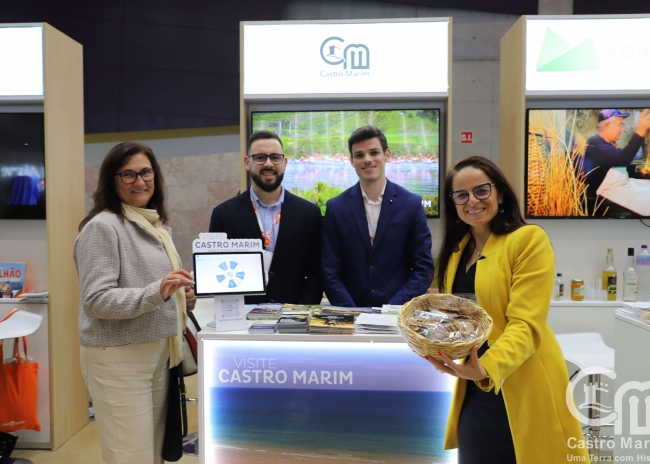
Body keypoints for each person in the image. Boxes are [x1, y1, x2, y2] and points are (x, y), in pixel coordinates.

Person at [426, 156, 589, 463]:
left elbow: (526, 324)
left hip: (524, 379)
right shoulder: (457, 251)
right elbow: (461, 319)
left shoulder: (528, 240)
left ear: (500, 194)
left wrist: (487, 367)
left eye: (481, 190)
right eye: (461, 195)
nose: (472, 201)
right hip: (476, 387)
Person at [74, 142, 196, 464]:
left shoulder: (154, 225)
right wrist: (158, 292)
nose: (139, 181)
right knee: (130, 456)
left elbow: (160, 291)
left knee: (152, 456)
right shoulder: (103, 227)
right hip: (118, 360)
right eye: (128, 174)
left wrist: (181, 297)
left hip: (157, 356)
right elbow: (96, 301)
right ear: (111, 180)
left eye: (145, 172)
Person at [321, 125, 433, 307]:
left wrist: (391, 310)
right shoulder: (336, 208)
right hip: (351, 313)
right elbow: (329, 271)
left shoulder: (411, 204)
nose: (367, 160)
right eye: (359, 155)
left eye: (374, 152)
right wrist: (351, 313)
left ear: (387, 154)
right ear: (351, 160)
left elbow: (423, 269)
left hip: (397, 313)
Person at [209, 130, 322, 304]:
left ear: (284, 163)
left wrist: (299, 312)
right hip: (243, 316)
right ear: (247, 163)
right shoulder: (223, 214)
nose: (268, 164)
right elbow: (218, 271)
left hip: (294, 315)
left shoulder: (309, 214)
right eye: (260, 157)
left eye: (275, 157)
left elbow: (317, 273)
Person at [583, 108, 650, 214]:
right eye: (620, 125)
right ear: (607, 125)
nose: (622, 129)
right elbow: (621, 160)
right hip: (608, 194)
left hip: (623, 186)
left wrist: (638, 169)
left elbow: (617, 167)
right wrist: (641, 130)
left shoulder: (609, 144)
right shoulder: (595, 143)